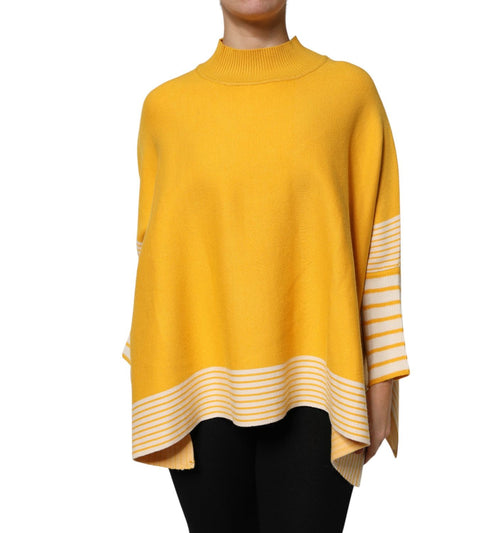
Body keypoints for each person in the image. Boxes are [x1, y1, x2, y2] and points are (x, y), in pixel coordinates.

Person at [121, 1, 411, 531]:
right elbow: (156, 261)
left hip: (321, 383)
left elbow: (380, 247)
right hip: (199, 384)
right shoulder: (165, 109)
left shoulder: (349, 93)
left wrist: (384, 379)